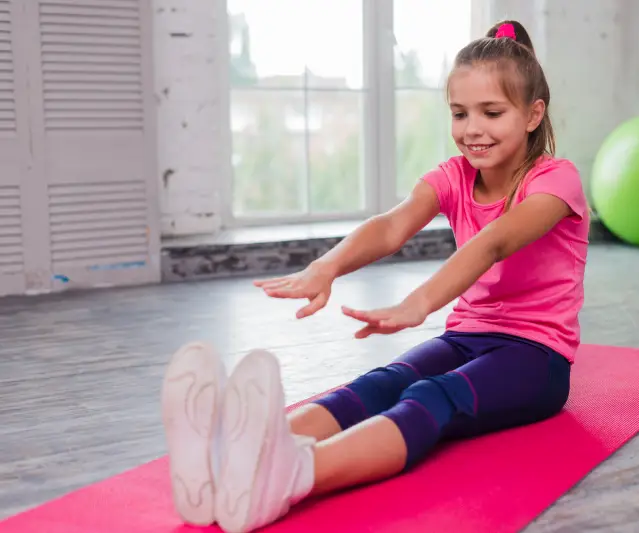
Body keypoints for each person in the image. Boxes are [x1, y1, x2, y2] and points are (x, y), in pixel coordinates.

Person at [160, 19, 589, 533]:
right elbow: (391, 226)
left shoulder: (554, 180)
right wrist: (327, 266)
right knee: (383, 382)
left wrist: (420, 302)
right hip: (467, 336)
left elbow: (493, 242)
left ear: (532, 115)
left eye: (491, 112)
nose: (472, 129)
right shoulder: (454, 175)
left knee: (434, 398)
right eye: (460, 113)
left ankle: (292, 474)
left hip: (536, 358)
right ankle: (225, 458)